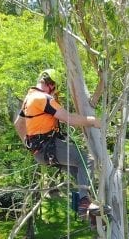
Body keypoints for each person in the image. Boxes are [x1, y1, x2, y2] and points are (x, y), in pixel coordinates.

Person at [14, 69, 101, 217]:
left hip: (41, 153)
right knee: (86, 160)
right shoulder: (43, 99)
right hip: (50, 147)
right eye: (55, 90)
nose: (55, 94)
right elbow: (69, 118)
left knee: (77, 170)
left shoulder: (29, 99)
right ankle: (85, 202)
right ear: (52, 85)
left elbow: (18, 124)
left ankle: (87, 209)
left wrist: (28, 144)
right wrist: (92, 121)